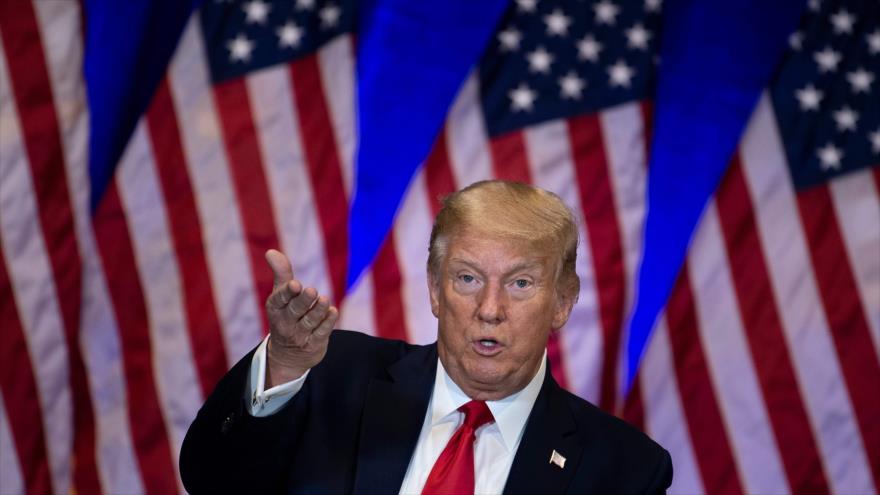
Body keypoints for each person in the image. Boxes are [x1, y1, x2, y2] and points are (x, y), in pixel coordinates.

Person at [180, 180, 672, 494]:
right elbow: (213, 480)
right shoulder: (333, 376)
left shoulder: (625, 470)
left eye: (520, 283)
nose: (490, 310)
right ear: (435, 290)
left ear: (563, 301)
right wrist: (286, 362)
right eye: (467, 278)